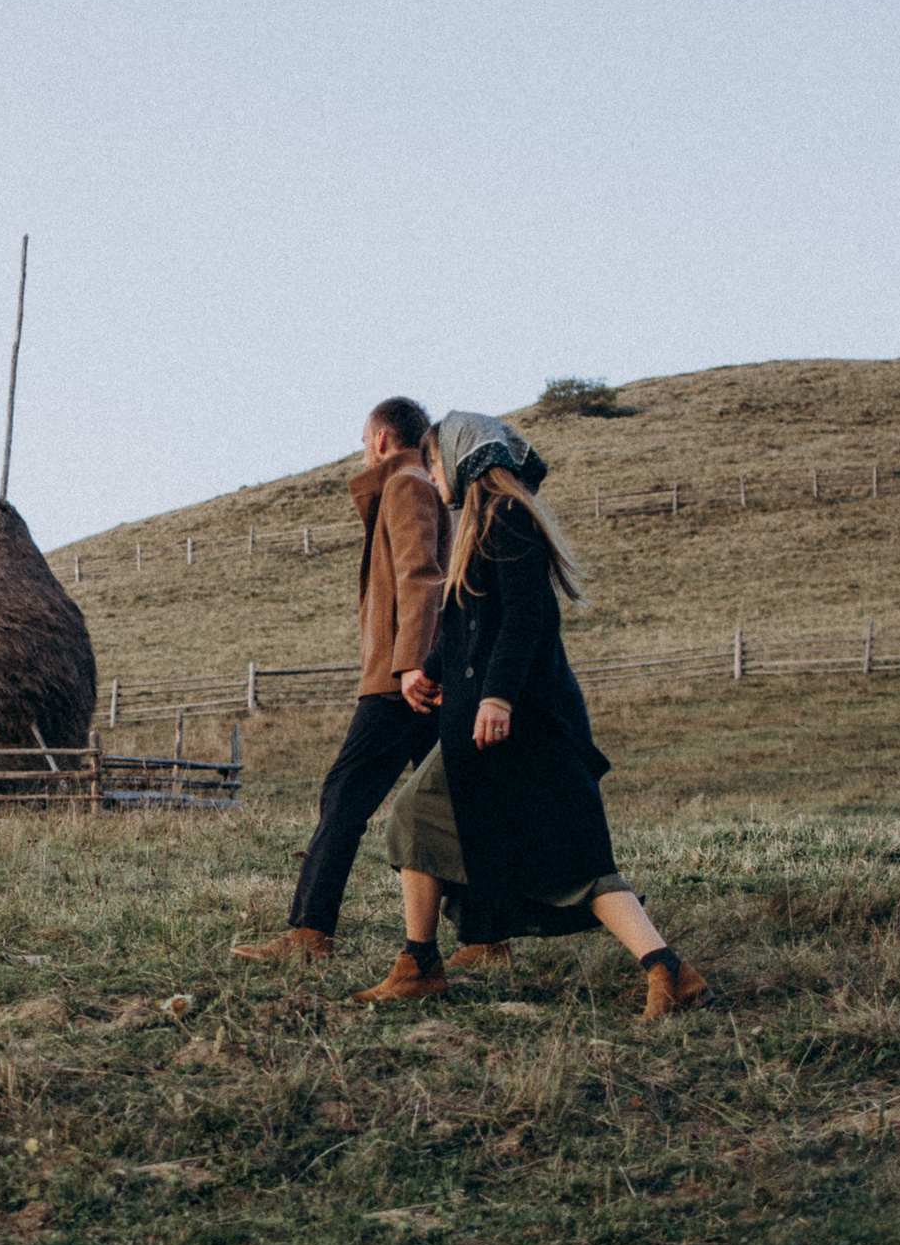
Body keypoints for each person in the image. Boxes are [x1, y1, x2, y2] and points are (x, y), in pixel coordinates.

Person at [352, 411, 714, 1018]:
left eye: (435, 462)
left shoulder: (506, 518)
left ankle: (670, 972)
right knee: (422, 818)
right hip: (482, 729)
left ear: (461, 459)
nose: (432, 475)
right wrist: (428, 670)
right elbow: (467, 622)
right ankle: (419, 964)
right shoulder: (480, 525)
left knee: (570, 861)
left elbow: (525, 617)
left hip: (523, 728)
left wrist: (497, 697)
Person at [232, 397, 449, 963]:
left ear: (380, 439)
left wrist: (409, 663)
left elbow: (421, 577)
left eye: (363, 442)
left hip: (399, 682)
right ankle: (486, 937)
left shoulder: (405, 485)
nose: (363, 452)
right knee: (453, 803)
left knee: (344, 797)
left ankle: (310, 934)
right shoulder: (417, 483)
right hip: (414, 675)